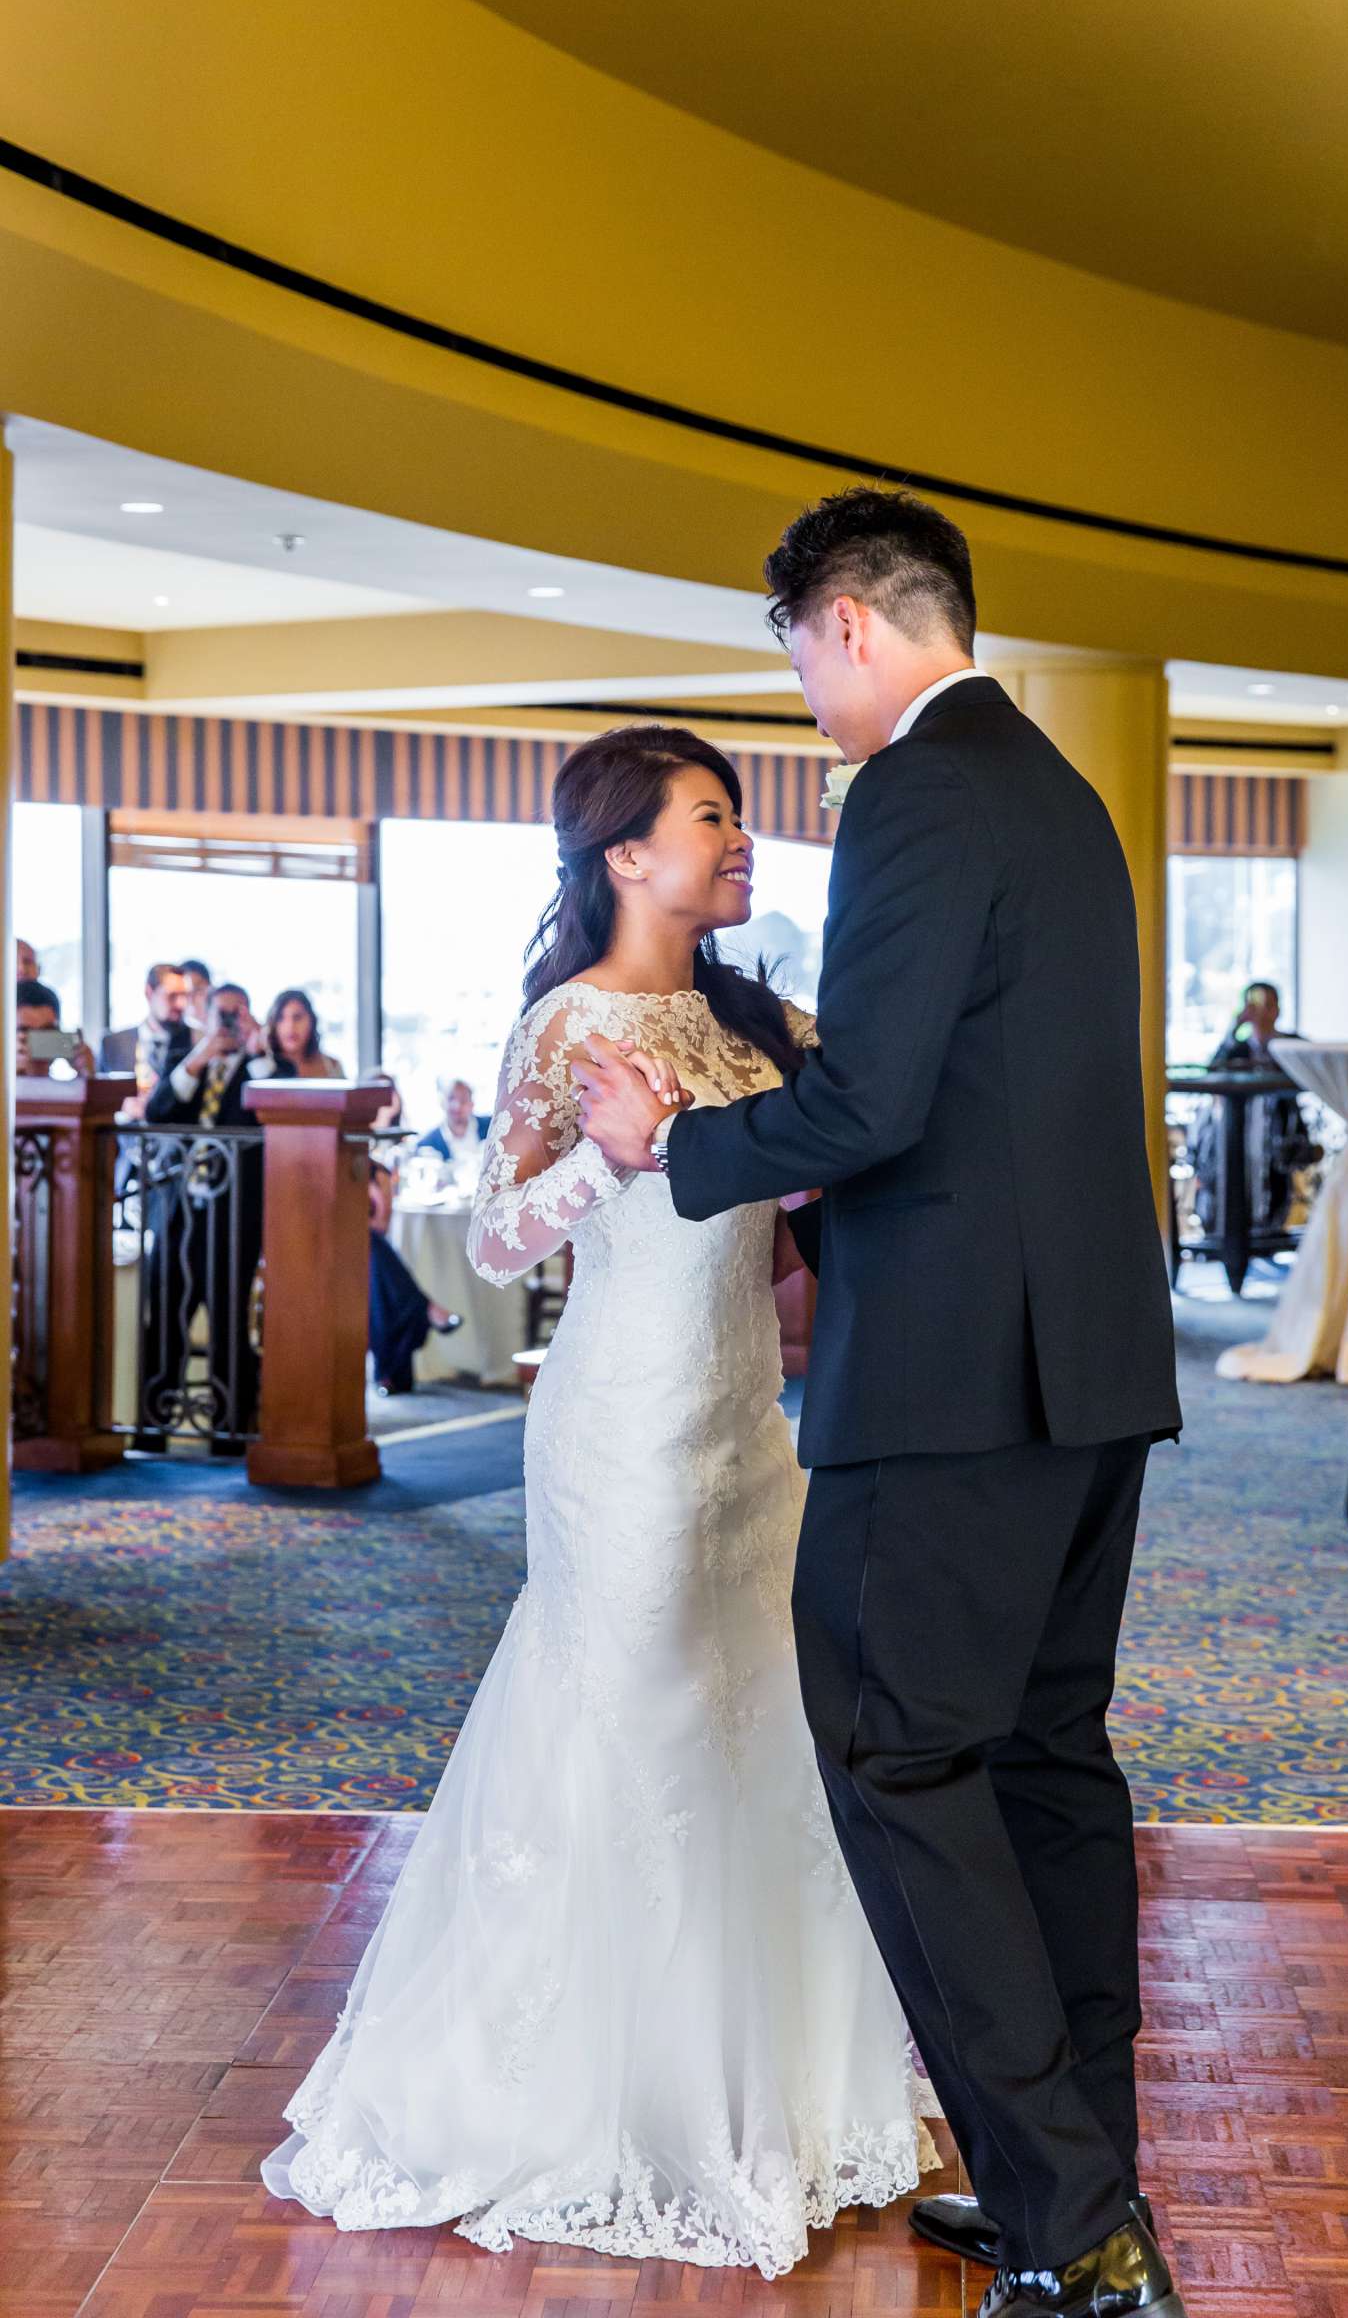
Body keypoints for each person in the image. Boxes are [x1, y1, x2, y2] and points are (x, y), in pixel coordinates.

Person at [576, 489, 1186, 2318]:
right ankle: (1078, 2183)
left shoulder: (920, 791)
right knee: (1045, 1762)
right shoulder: (1061, 790)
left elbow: (882, 1103)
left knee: (903, 1751)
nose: (806, 707)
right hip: (1087, 1367)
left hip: (953, 1385)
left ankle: (1077, 2227)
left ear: (844, 622)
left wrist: (671, 1138)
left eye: (796, 658)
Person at [261, 724, 936, 2270]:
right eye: (711, 818)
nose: (741, 839)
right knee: (630, 1715)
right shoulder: (569, 1026)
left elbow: (780, 1234)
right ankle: (592, 2096)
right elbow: (500, 1239)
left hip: (738, 1427)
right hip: (617, 1429)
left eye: (740, 818)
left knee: (755, 1720)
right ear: (626, 855)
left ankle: (758, 2084)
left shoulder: (755, 1020)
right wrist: (619, 1165)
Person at [140, 982, 286, 1451]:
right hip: (180, 1213)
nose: (226, 1022)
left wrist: (254, 1047)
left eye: (235, 1013)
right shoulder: (187, 1057)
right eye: (219, 1014)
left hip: (234, 1216)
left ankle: (229, 1433)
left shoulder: (262, 1065)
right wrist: (201, 1054)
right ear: (202, 1016)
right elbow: (159, 1111)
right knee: (165, 1315)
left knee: (228, 1319)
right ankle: (152, 1429)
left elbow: (274, 1111)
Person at [1194, 979, 1319, 1237]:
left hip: (1280, 1133)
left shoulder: (1290, 1045)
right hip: (1239, 1132)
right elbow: (1212, 1072)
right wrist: (1235, 1027)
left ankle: (1272, 1230)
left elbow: (1314, 1063)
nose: (1263, 1013)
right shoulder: (1237, 1047)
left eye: (1269, 1006)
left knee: (1277, 1184)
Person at [363, 1068, 461, 1393]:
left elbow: (381, 1221)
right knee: (378, 1264)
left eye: (387, 1095)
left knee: (380, 1274)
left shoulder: (393, 1146)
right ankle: (425, 1309)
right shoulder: (353, 1147)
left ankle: (393, 1367)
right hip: (343, 1243)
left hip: (368, 1240)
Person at [101, 961, 193, 1101]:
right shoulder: (113, 1045)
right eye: (172, 996)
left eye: (185, 996)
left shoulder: (195, 1044)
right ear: (149, 993)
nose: (181, 1004)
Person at [414, 1076, 490, 1186]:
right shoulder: (427, 1143)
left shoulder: (491, 1127)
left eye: (463, 1100)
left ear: (472, 1104)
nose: (456, 1106)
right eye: (451, 1099)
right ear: (442, 1102)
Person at [16, 978, 96, 1079]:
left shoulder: (68, 1090)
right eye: (25, 1031)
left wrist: (88, 1078)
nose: (39, 1041)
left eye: (47, 1030)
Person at [265, 986, 345, 1078]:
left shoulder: (332, 1066)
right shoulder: (263, 1064)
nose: (290, 1026)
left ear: (312, 1021)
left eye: (297, 1017)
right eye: (281, 1018)